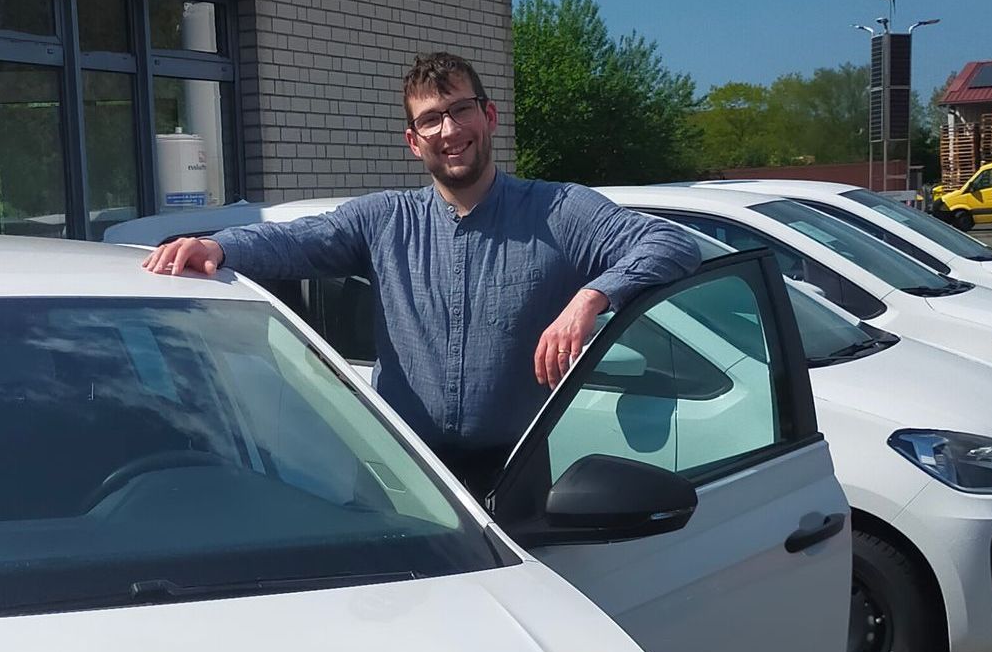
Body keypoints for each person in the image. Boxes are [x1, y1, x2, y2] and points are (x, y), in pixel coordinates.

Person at [142, 50, 701, 499]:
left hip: (515, 475)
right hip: (402, 476)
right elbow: (294, 240)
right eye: (431, 119)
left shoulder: (558, 211)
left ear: (489, 116)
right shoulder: (386, 220)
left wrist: (591, 297)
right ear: (414, 141)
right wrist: (216, 245)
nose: (449, 129)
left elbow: (672, 243)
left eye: (460, 110)